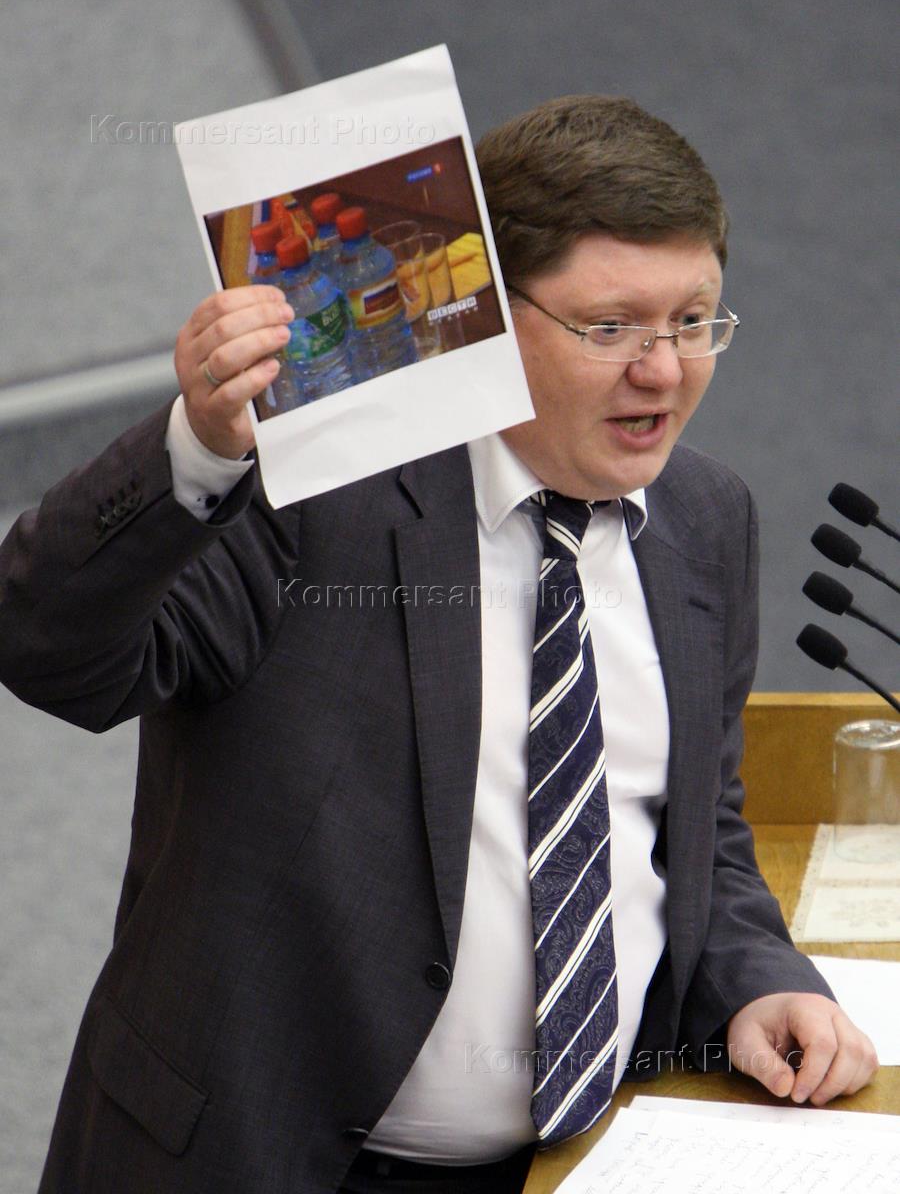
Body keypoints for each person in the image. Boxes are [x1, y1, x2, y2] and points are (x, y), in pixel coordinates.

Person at [0, 95, 877, 1194]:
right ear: (494, 317)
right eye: (610, 328)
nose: (664, 370)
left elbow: (695, 823)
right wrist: (199, 451)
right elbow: (49, 652)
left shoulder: (706, 518)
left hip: (570, 1163)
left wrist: (756, 975)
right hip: (273, 1162)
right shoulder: (313, 494)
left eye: (694, 319)